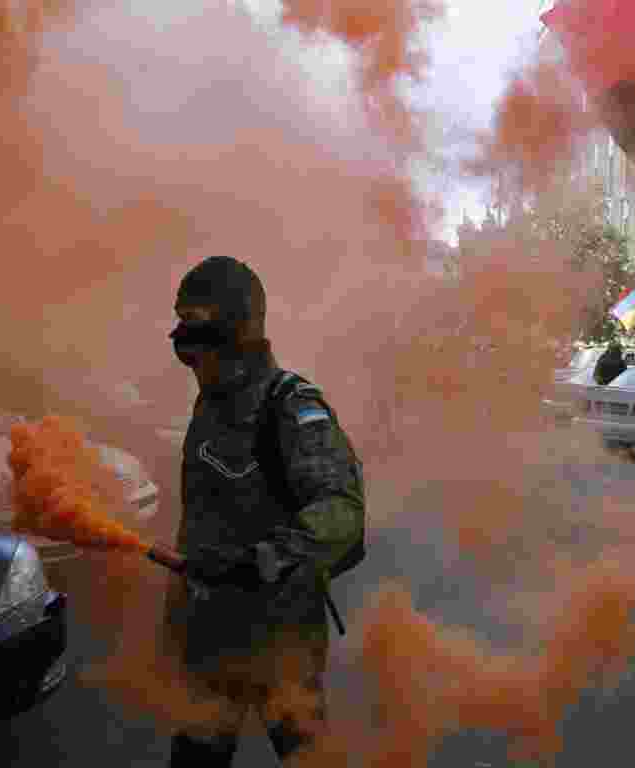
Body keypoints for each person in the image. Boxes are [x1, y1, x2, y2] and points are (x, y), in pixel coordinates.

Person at [162, 256, 366, 767]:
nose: (183, 342)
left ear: (242, 327)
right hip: (210, 646)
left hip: (282, 645)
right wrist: (178, 616)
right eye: (180, 324)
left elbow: (341, 511)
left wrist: (261, 560)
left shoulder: (291, 407)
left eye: (196, 324)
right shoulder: (210, 405)